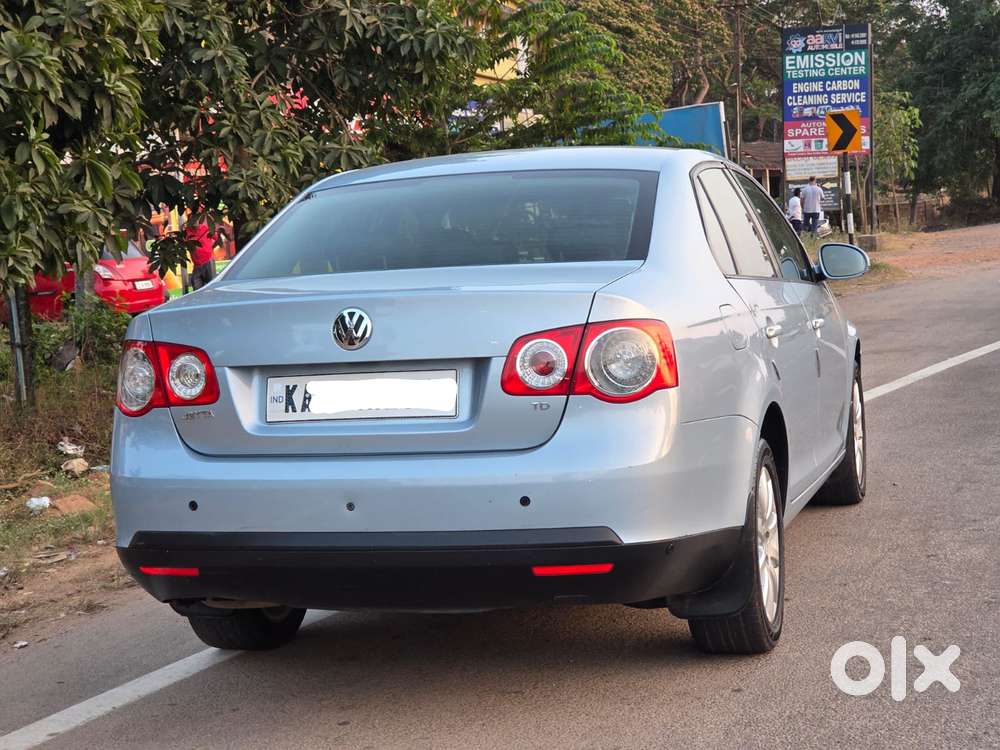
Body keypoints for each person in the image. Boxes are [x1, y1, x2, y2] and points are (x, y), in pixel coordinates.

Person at [185, 218, 220, 290]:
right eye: (192, 220)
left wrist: (210, 249)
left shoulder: (205, 228)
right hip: (197, 265)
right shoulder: (187, 232)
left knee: (212, 287)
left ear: (198, 220)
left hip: (208, 262)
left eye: (195, 219)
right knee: (197, 289)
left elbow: (216, 238)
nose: (194, 222)